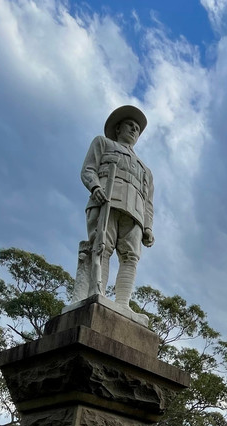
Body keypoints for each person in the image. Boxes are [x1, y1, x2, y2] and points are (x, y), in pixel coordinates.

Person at [74, 104, 154, 324]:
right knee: (102, 248)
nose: (134, 130)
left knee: (131, 257)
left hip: (134, 214)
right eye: (130, 125)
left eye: (137, 128)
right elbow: (88, 169)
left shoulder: (145, 170)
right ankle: (96, 292)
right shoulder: (103, 143)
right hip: (106, 202)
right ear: (118, 128)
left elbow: (148, 201)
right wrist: (95, 187)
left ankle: (123, 303)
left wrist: (148, 226)